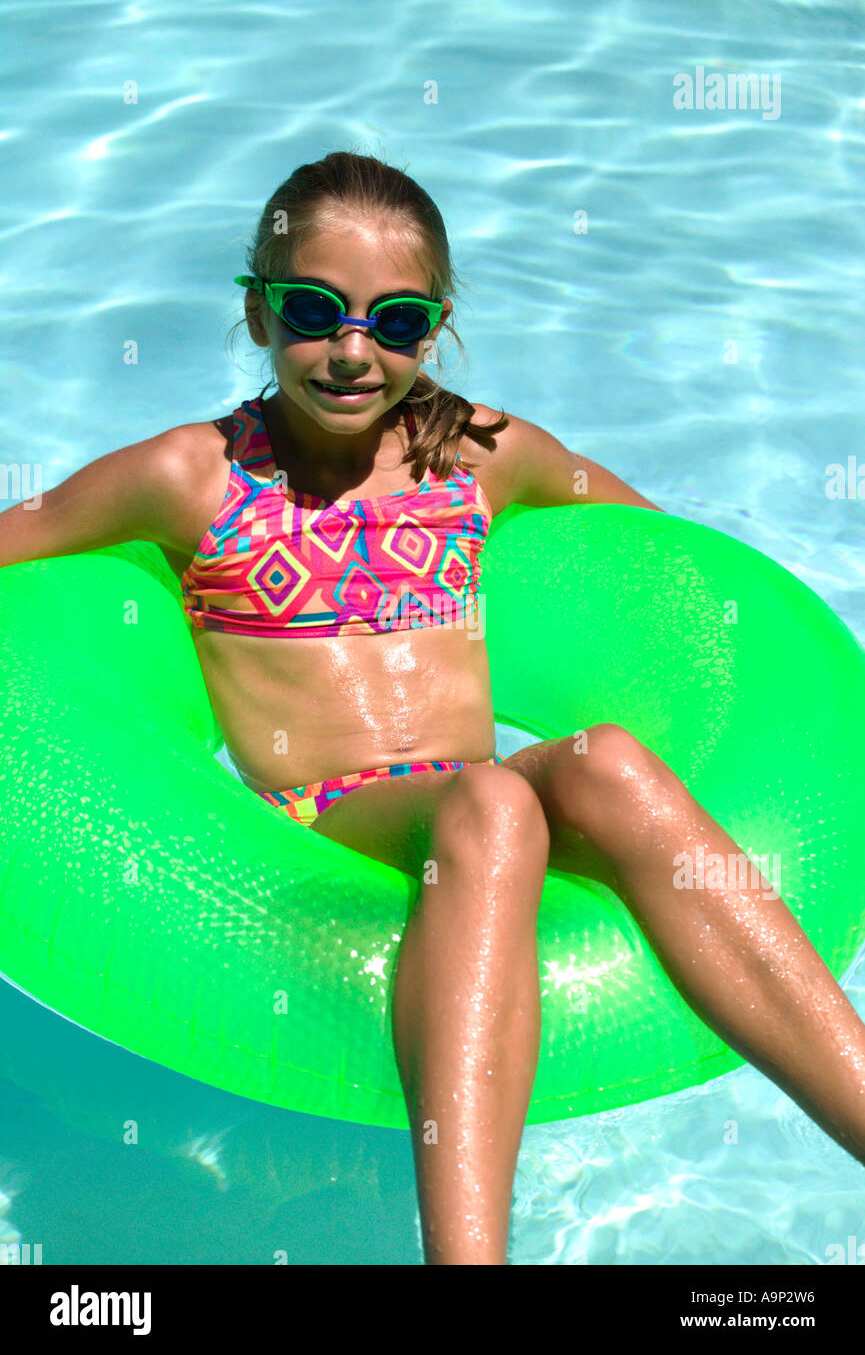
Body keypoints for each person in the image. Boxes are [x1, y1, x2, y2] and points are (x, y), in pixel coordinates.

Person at [4, 150, 865, 1267]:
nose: (353, 351)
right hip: (333, 822)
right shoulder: (192, 476)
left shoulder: (481, 456)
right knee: (496, 806)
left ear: (437, 327)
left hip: (475, 815)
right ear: (258, 311)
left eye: (395, 321)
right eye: (314, 311)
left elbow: (673, 569)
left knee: (606, 762)